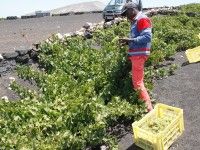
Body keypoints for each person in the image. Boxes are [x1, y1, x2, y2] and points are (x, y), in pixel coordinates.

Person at [119, 0, 153, 112]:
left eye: (126, 14)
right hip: (136, 55)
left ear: (132, 10)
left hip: (139, 55)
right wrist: (128, 42)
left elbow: (147, 37)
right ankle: (146, 107)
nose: (126, 17)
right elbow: (138, 38)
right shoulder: (135, 21)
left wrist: (130, 40)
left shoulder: (142, 19)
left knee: (137, 83)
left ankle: (149, 110)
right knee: (138, 81)